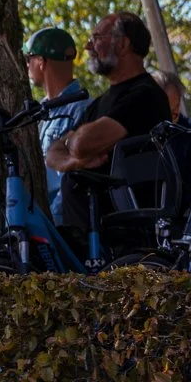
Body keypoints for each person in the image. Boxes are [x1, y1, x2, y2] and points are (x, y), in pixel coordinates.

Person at [47, 13, 173, 237]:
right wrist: (77, 160)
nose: (88, 46)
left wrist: (75, 149)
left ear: (123, 44)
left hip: (125, 240)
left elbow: (83, 143)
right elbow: (53, 153)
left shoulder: (145, 95)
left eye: (96, 37)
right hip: (89, 237)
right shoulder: (99, 103)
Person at [24, 26, 90, 224]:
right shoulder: (39, 112)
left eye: (29, 58)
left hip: (62, 223)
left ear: (41, 62)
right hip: (41, 219)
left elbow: (76, 175)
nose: (27, 65)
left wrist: (53, 218)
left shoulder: (83, 109)